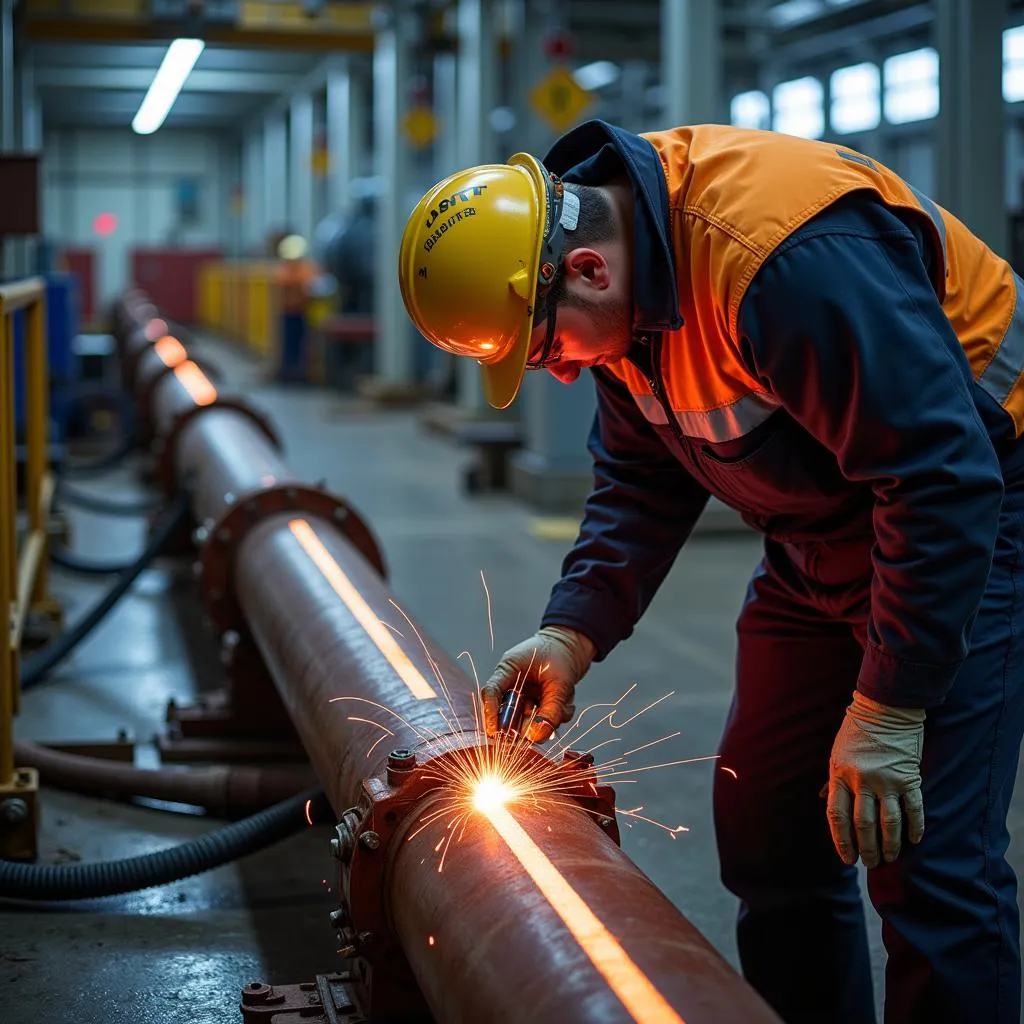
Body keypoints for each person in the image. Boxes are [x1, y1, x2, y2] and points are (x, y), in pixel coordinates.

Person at [397, 119, 1024, 1024]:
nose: (564, 378)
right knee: (769, 824)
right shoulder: (620, 290)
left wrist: (890, 706)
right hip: (822, 531)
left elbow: (941, 477)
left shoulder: (781, 261)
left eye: (547, 352)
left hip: (972, 509)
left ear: (587, 272)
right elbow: (643, 479)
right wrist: (572, 631)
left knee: (923, 858)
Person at [274, 233, 318, 382]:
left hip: (303, 313)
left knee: (300, 344)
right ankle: (290, 372)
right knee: (291, 344)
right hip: (290, 313)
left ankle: (298, 372)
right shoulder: (296, 271)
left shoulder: (303, 270)